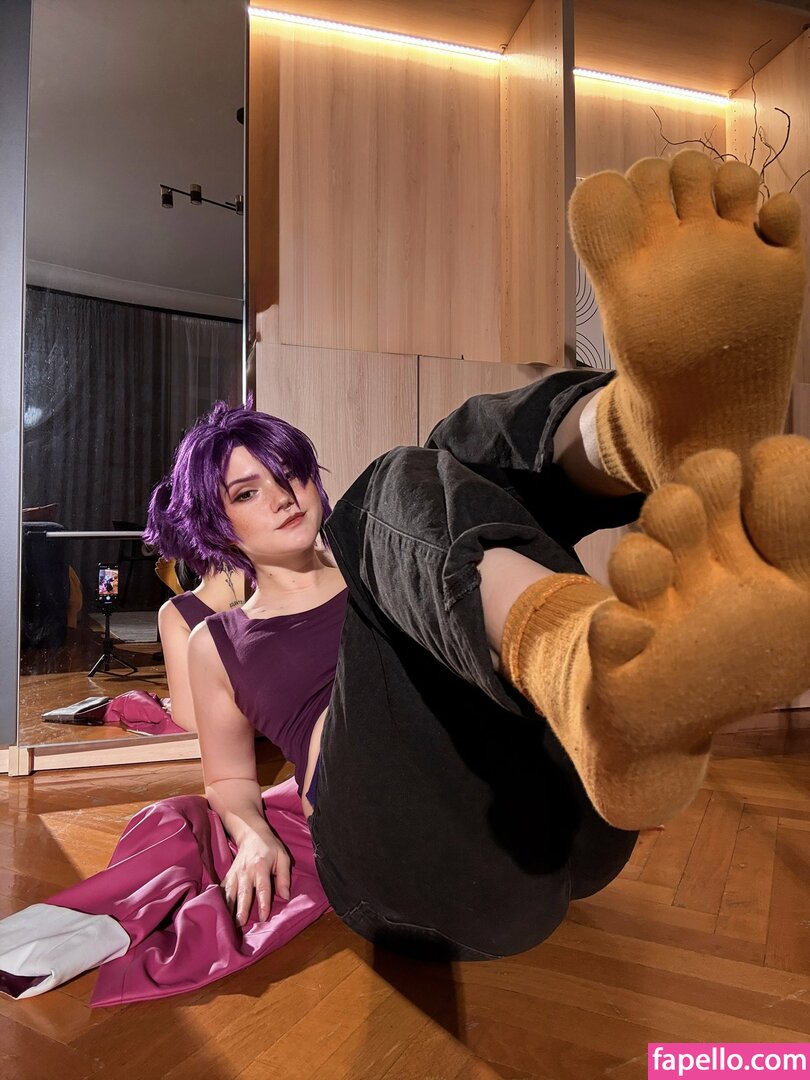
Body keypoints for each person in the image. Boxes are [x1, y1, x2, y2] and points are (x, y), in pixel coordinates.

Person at [1, 150, 807, 1001]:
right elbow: (228, 781)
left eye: (287, 471)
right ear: (218, 522)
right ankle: (585, 656)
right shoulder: (220, 640)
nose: (284, 494)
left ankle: (643, 431)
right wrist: (253, 834)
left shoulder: (387, 548)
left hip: (565, 814)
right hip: (405, 865)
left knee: (445, 461)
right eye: (247, 492)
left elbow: (422, 509)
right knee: (395, 482)